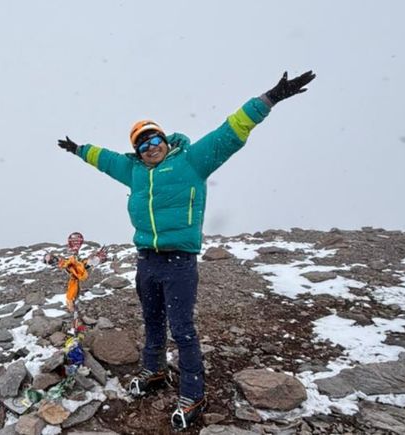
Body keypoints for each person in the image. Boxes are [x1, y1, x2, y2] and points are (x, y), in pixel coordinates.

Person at [56, 71, 315, 430]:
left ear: (165, 139)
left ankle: (193, 393)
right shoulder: (133, 171)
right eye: (142, 145)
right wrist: (78, 149)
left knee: (183, 329)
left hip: (179, 263)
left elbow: (231, 131)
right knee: (152, 322)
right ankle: (154, 371)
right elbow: (104, 158)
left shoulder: (191, 161)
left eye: (154, 140)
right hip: (146, 261)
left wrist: (270, 98)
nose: (150, 148)